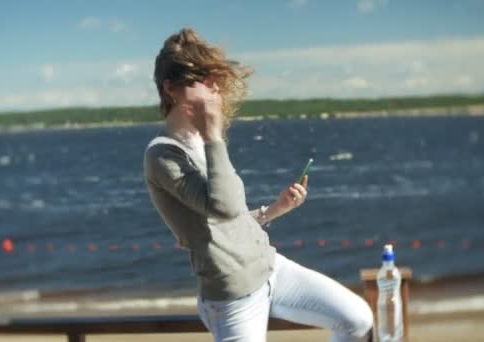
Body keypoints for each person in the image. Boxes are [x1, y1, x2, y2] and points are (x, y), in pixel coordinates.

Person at [143, 28, 374, 342]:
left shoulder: (202, 140)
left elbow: (230, 221)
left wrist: (275, 210)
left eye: (213, 77)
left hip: (272, 269)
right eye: (202, 78)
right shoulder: (163, 155)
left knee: (357, 319)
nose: (213, 86)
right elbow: (224, 208)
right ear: (171, 89)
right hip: (233, 298)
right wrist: (213, 135)